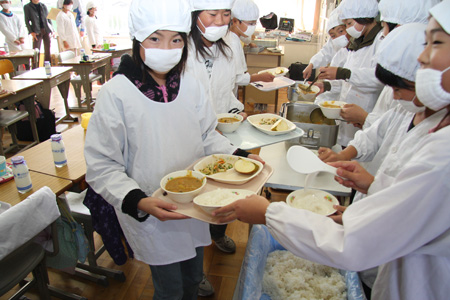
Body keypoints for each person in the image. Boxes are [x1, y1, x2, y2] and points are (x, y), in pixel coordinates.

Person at [213, 2, 450, 299]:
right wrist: (369, 188)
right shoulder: (428, 116)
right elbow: (390, 159)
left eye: (436, 43)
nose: (423, 55)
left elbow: (353, 244)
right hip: (393, 268)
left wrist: (269, 213)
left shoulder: (443, 153)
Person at [84, 0, 263, 299]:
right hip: (152, 207)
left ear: (185, 40)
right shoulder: (116, 94)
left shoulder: (190, 85)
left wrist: (239, 156)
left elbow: (207, 135)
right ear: (138, 39)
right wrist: (137, 200)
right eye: (156, 38)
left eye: (176, 39)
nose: (167, 47)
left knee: (193, 277)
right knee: (170, 289)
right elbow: (102, 164)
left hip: (195, 203)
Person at [335, 0, 441, 129]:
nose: (383, 34)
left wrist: (365, 118)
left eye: (384, 26)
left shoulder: (412, 80)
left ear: (399, 28)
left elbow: (392, 131)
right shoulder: (361, 41)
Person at [314, 0, 384, 147]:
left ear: (364, 17)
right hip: (348, 113)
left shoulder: (380, 40)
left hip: (365, 110)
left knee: (359, 150)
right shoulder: (357, 41)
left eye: (349, 24)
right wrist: (326, 86)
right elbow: (347, 81)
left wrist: (342, 72)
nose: (347, 29)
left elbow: (379, 78)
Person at [228, 0, 274, 98]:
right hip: (227, 94)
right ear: (235, 21)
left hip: (231, 93)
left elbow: (246, 38)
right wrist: (260, 77)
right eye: (250, 23)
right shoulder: (231, 43)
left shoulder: (235, 37)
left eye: (254, 23)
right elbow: (237, 78)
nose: (252, 27)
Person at [302, 9, 350, 80]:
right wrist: (311, 65)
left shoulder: (359, 47)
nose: (338, 37)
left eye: (340, 31)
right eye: (333, 35)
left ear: (348, 27)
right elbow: (324, 53)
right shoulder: (334, 42)